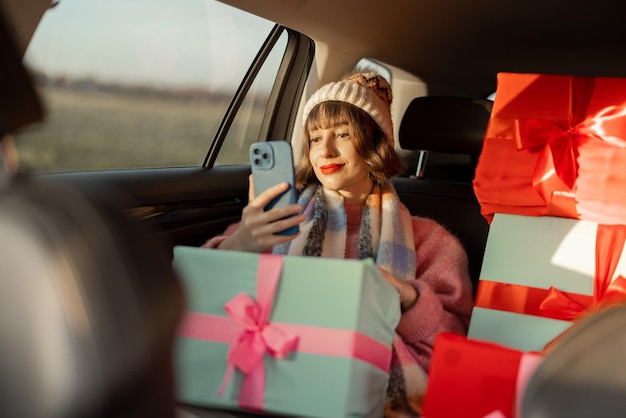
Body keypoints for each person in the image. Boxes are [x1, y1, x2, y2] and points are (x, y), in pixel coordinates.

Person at [203, 72, 474, 417]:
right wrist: (241, 243)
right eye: (315, 138)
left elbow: (455, 347)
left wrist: (407, 299)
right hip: (270, 387)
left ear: (375, 142)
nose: (325, 150)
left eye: (343, 134)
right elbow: (203, 304)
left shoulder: (432, 241)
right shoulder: (278, 223)